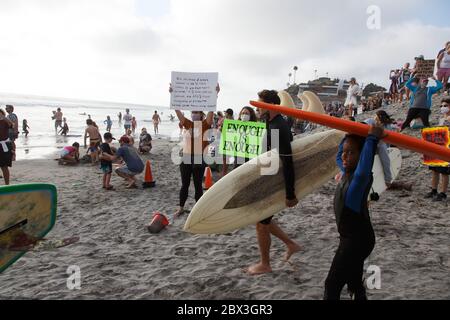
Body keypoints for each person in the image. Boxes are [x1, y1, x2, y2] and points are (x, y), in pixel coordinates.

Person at [324, 125, 386, 300]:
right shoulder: (346, 170)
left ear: (361, 156)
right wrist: (348, 134)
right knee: (354, 281)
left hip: (356, 241)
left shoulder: (359, 178)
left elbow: (365, 165)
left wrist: (372, 139)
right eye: (345, 151)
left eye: (350, 153)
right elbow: (339, 156)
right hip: (354, 237)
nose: (344, 156)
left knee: (332, 284)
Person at [247, 90, 301, 276]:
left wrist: (290, 194)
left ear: (269, 106)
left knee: (262, 223)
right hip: (268, 178)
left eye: (260, 104)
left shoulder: (278, 127)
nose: (257, 107)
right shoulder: (271, 123)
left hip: (274, 182)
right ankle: (291, 244)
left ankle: (265, 264)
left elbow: (287, 161)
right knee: (262, 221)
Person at [170, 83, 219, 217]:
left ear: (201, 115)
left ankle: (198, 211)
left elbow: (211, 111)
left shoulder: (205, 124)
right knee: (184, 185)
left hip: (198, 157)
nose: (194, 114)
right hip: (186, 157)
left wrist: (215, 95)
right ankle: (181, 208)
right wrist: (173, 94)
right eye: (193, 112)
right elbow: (178, 112)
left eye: (197, 112)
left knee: (197, 185)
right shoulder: (188, 124)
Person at [424, 99, 450, 201]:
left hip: (446, 146)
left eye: (445, 105)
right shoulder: (442, 118)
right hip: (438, 145)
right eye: (442, 105)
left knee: (444, 172)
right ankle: (434, 190)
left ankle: (442, 193)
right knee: (435, 170)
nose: (443, 107)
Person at [0, 109, 14, 185]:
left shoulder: (5, 121)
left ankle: (7, 184)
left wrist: (5, 118)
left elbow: (12, 126)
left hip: (4, 145)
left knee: (4, 166)